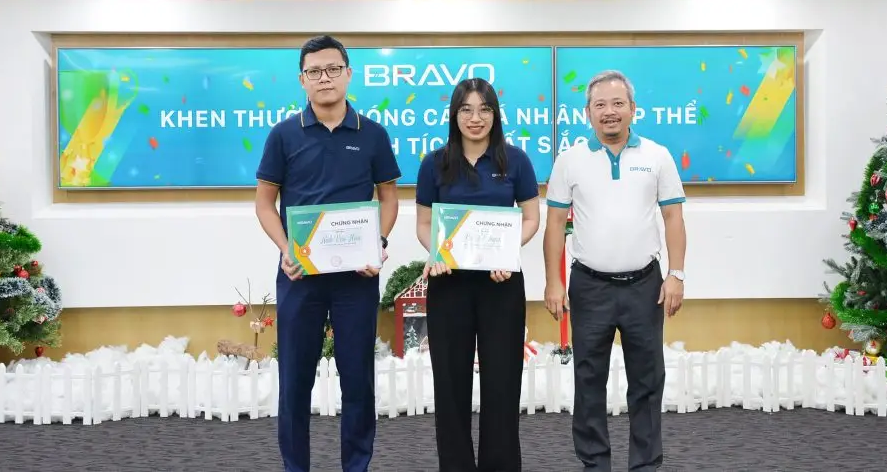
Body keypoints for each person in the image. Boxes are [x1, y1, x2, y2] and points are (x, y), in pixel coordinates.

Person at [254, 35, 401, 472]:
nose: (325, 78)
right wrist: (286, 249)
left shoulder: (373, 134)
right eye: (314, 71)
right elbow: (264, 204)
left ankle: (356, 466)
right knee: (294, 382)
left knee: (358, 381)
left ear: (348, 74)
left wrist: (379, 242)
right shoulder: (283, 135)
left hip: (357, 278)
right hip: (300, 276)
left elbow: (389, 198)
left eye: (333, 69)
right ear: (302, 80)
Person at [542, 70, 687, 472]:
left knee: (647, 381)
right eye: (600, 105)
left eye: (618, 103)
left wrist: (676, 274)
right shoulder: (570, 160)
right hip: (589, 286)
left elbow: (673, 218)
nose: (609, 112)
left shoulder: (657, 156)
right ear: (587, 112)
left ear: (632, 109)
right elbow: (554, 226)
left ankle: (645, 464)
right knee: (589, 380)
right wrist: (553, 282)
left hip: (645, 286)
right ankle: (594, 464)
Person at [415, 78, 541, 472]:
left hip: (500, 284)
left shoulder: (515, 160)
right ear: (454, 115)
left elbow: (531, 217)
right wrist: (436, 253)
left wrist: (508, 251)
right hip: (448, 284)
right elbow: (424, 224)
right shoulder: (434, 163)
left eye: (484, 109)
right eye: (466, 109)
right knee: (450, 385)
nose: (475, 118)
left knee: (502, 383)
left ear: (495, 115)